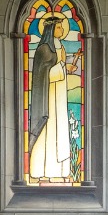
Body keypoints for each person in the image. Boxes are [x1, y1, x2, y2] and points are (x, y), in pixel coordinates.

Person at [28, 17, 74, 181]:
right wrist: (63, 67)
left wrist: (65, 67)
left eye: (62, 27)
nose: (62, 30)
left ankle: (59, 172)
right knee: (47, 132)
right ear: (51, 29)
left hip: (59, 97)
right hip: (47, 99)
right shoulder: (44, 49)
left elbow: (57, 69)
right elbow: (42, 74)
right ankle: (40, 170)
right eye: (59, 27)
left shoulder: (59, 46)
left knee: (59, 131)